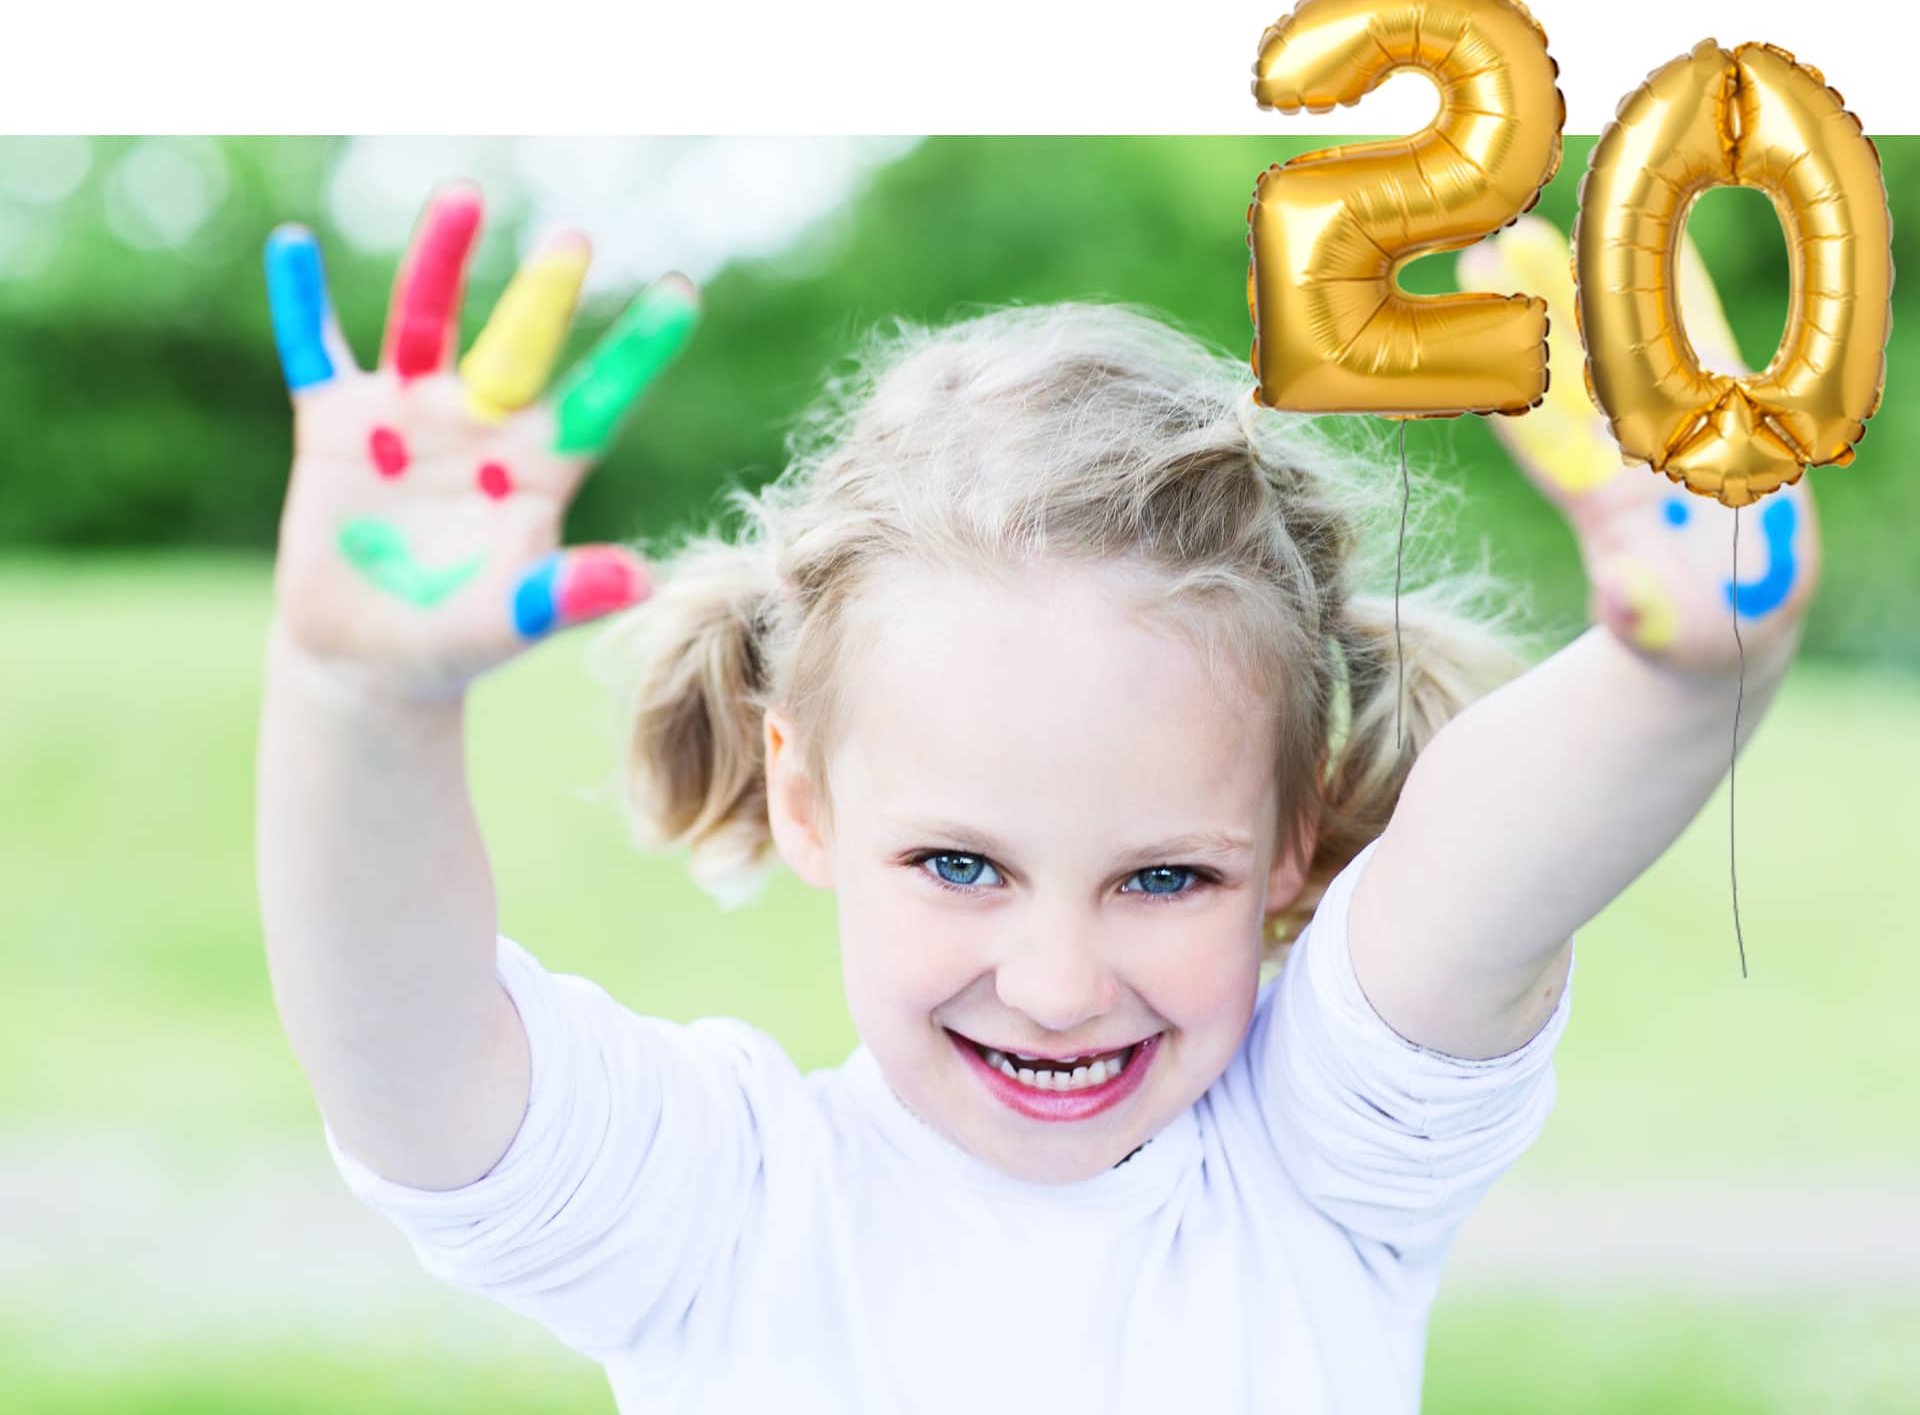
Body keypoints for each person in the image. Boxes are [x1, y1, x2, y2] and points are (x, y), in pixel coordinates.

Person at [254, 181, 1820, 1413]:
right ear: (806, 799)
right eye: (958, 863)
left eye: (1163, 879)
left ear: (1295, 838)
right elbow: (414, 1058)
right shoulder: (727, 1205)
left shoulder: (1317, 1162)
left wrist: (1677, 673)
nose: (1060, 987)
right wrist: (357, 699)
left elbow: (1487, 867)